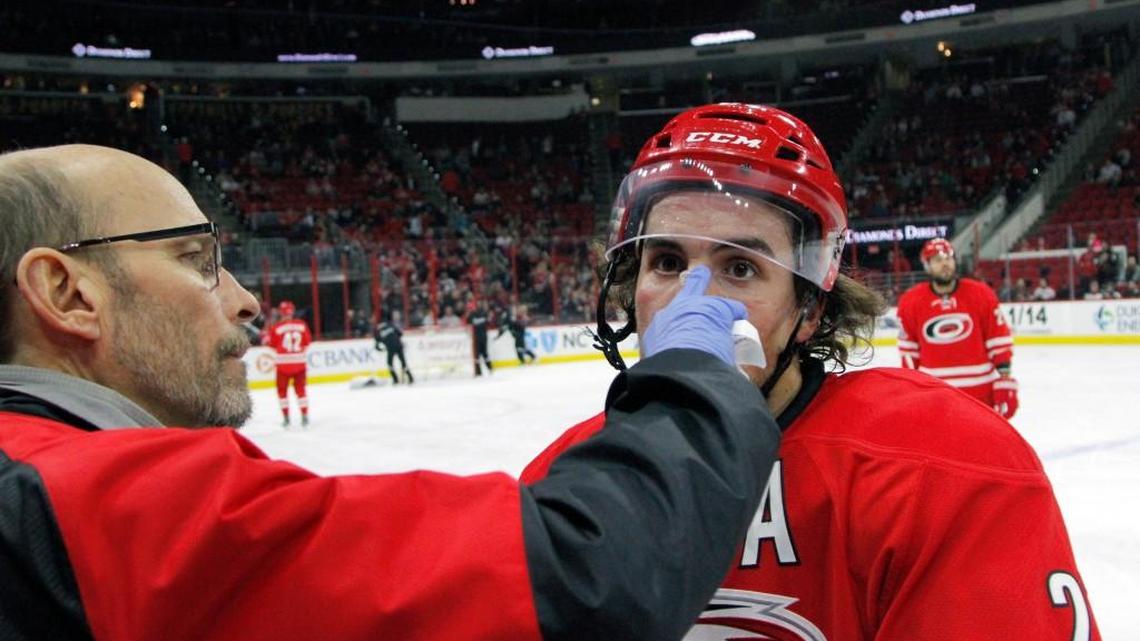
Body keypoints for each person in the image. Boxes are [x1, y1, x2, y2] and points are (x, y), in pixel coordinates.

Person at [0, 144, 781, 640]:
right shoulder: (89, 502)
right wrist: (694, 376)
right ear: (67, 293)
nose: (242, 298)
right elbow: (590, 579)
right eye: (192, 258)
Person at [522, 104, 1099, 639]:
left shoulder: (945, 474)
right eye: (667, 261)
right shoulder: (559, 485)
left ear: (810, 309)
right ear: (629, 284)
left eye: (741, 267)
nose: (689, 299)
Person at [898, 237, 1019, 418]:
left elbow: (998, 339)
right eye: (938, 260)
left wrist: (1004, 379)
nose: (945, 264)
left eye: (948, 258)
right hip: (936, 393)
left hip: (980, 391)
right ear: (927, 265)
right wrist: (912, 388)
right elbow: (909, 352)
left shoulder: (981, 294)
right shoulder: (911, 301)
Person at [262, 299, 312, 427]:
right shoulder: (302, 325)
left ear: (281, 312)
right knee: (301, 390)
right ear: (292, 311)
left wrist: (266, 337)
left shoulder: (277, 327)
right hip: (300, 363)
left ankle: (286, 417)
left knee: (282, 391)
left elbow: (271, 344)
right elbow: (307, 342)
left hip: (283, 365)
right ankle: (304, 415)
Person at [374, 309, 414, 384]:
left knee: (389, 364)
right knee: (403, 363)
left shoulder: (378, 330)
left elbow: (377, 345)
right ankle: (410, 377)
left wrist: (381, 348)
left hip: (390, 348)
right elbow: (400, 334)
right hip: (398, 346)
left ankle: (395, 379)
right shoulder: (390, 325)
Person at [466, 299, 493, 376]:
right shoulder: (473, 315)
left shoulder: (482, 313)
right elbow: (468, 322)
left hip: (481, 336)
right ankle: (479, 371)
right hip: (477, 337)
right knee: (478, 354)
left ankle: (487, 369)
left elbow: (488, 322)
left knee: (483, 353)